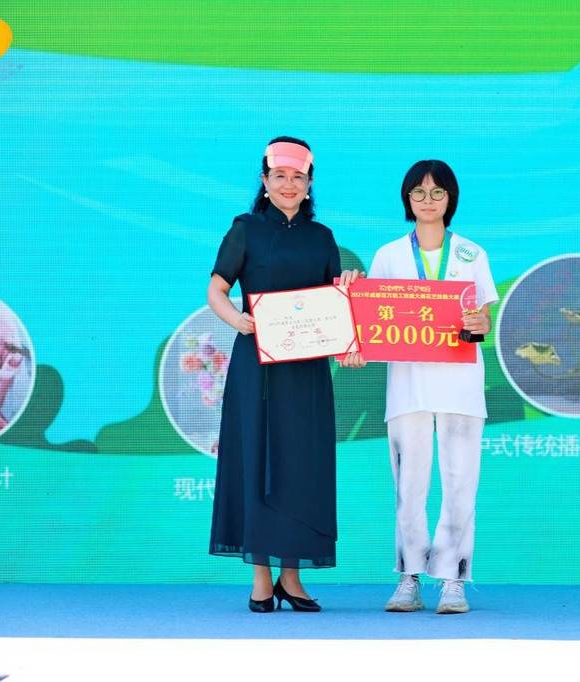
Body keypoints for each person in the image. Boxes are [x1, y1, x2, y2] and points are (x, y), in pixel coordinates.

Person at [206, 137, 362, 613]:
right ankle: (260, 575)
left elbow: (336, 302)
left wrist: (350, 308)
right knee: (256, 460)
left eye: (298, 177)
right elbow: (216, 290)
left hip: (308, 372)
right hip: (256, 366)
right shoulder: (246, 229)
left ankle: (291, 577)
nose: (289, 185)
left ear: (309, 183)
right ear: (265, 181)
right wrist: (237, 320)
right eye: (280, 177)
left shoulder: (322, 237)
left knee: (302, 465)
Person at [367, 160, 498, 614]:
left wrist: (480, 324)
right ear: (407, 199)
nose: (428, 200)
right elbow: (370, 319)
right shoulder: (388, 256)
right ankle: (409, 578)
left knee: (461, 484)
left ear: (450, 199)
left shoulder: (471, 254)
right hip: (408, 386)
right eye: (418, 192)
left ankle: (453, 580)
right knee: (409, 487)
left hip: (461, 384)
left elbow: (484, 318)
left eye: (437, 192)